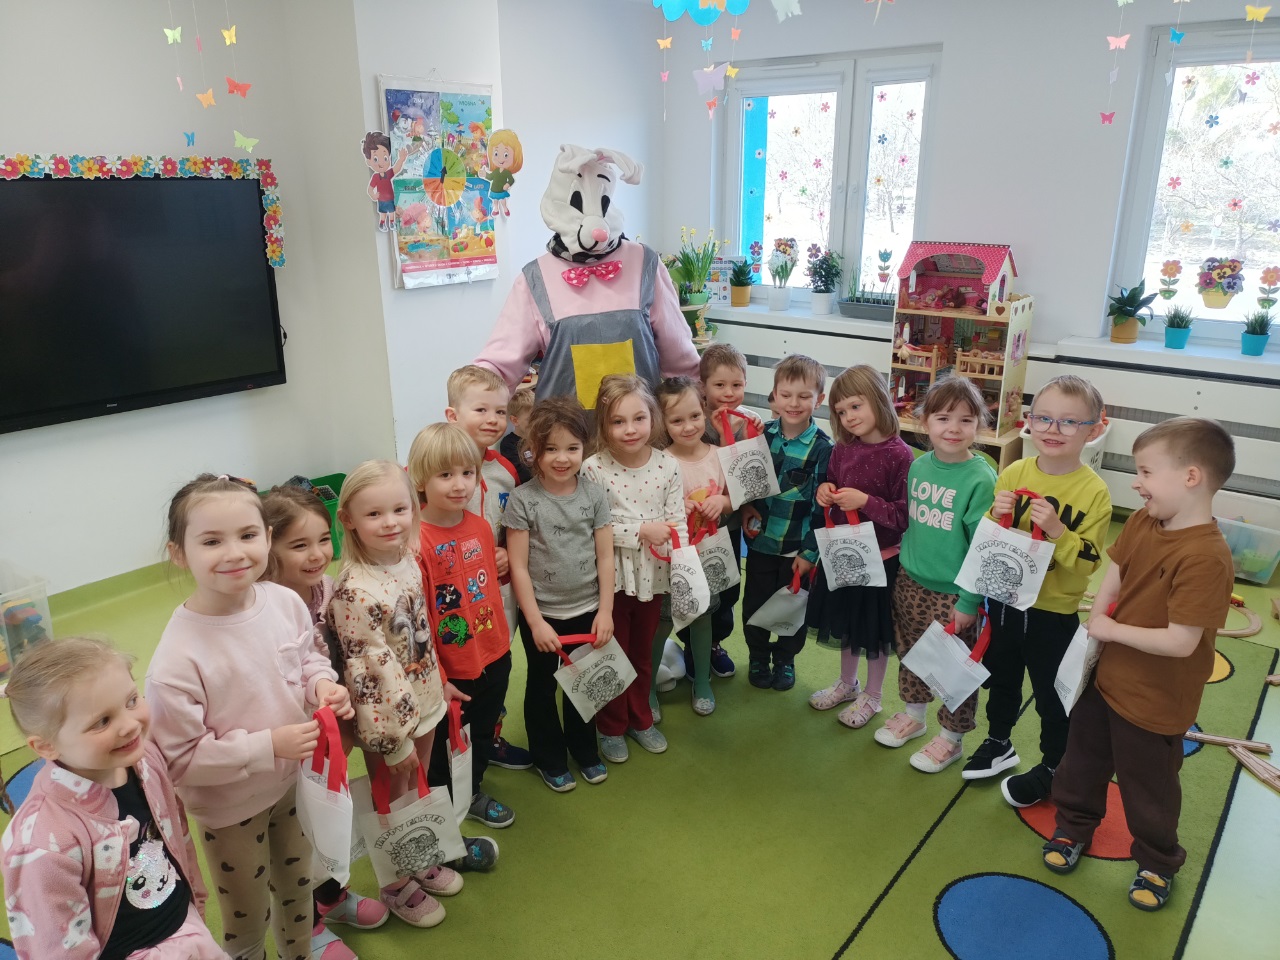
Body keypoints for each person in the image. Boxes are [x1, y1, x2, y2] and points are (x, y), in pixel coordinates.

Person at [146, 474, 354, 960]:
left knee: (298, 892)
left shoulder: (284, 601)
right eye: (211, 541)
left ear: (266, 536)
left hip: (293, 786)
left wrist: (321, 686)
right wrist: (268, 745)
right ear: (179, 553)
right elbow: (180, 761)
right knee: (247, 917)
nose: (235, 552)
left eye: (247, 534)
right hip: (230, 811)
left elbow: (306, 658)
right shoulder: (177, 660)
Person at [1043, 418, 1235, 913]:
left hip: (1156, 700)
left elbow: (1181, 642)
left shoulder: (1207, 557)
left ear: (1190, 477)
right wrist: (1099, 613)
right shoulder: (1144, 520)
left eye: (1147, 472)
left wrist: (1109, 630)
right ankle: (1072, 828)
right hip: (1104, 680)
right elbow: (1118, 568)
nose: (1136, 483)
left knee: (1149, 788)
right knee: (1081, 763)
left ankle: (1157, 860)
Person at [2, 637, 224, 960]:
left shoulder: (146, 760)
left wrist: (196, 906)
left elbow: (177, 836)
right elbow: (58, 949)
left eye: (132, 700)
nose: (130, 725)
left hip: (186, 929)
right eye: (103, 721)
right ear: (46, 746)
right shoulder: (41, 844)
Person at [961, 376, 1113, 807]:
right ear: (1029, 420)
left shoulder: (1094, 492)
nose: (1053, 429)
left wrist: (1059, 531)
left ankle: (1053, 765)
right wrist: (994, 514)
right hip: (1003, 601)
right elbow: (990, 539)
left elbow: (1088, 562)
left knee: (1052, 695)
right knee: (1001, 679)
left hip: (1053, 612)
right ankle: (999, 740)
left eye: (1069, 422)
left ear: (1093, 429)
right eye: (1044, 418)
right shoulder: (1014, 472)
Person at [328, 460, 467, 928]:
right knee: (390, 795)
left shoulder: (406, 558)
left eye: (399, 509)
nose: (390, 522)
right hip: (389, 725)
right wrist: (393, 742)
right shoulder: (354, 591)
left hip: (424, 700)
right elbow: (367, 675)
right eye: (374, 514)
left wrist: (439, 682)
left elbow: (419, 634)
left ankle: (416, 859)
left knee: (416, 788)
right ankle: (394, 883)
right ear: (348, 520)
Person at [261, 485, 388, 959]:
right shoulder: (263, 606)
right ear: (268, 547)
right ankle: (305, 925)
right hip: (289, 740)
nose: (317, 554)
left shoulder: (329, 589)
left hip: (334, 730)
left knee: (333, 815)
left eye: (322, 539)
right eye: (299, 545)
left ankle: (330, 896)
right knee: (298, 833)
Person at [873, 378, 997, 773]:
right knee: (911, 653)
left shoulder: (981, 478)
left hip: (954, 595)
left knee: (954, 669)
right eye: (943, 418)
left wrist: (969, 601)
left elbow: (983, 548)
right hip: (910, 581)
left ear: (979, 425)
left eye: (966, 420)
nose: (954, 428)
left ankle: (951, 739)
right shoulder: (919, 466)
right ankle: (914, 716)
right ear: (924, 422)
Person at [407, 425, 518, 831]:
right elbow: (417, 622)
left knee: (482, 734)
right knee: (444, 747)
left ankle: (471, 793)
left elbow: (487, 587)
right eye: (445, 475)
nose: (459, 485)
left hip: (495, 654)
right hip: (450, 672)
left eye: (467, 473)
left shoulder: (481, 527)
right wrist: (439, 677)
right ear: (421, 479)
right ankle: (444, 811)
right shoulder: (415, 542)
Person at [504, 396, 615, 790]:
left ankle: (584, 750)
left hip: (588, 609)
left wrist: (606, 611)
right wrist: (535, 623)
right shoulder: (523, 500)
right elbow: (518, 566)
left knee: (583, 683)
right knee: (541, 686)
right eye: (551, 449)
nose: (562, 458)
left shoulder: (595, 495)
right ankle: (548, 758)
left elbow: (606, 557)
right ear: (533, 450)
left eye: (572, 448)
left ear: (585, 448)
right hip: (544, 616)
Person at [582, 374, 685, 763]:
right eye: (618, 421)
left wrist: (683, 567)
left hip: (653, 578)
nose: (630, 429)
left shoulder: (667, 465)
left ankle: (640, 719)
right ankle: (610, 726)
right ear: (604, 424)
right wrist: (640, 530)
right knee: (612, 655)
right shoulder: (594, 468)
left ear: (653, 417)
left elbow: (677, 523)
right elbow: (590, 529)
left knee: (643, 654)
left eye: (639, 418)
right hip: (610, 581)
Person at [804, 364, 914, 729]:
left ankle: (873, 695)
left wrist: (865, 501)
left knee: (873, 633)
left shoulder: (900, 455)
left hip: (881, 561)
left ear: (879, 400)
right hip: (844, 556)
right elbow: (832, 484)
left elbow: (903, 517)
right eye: (841, 411)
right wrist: (825, 492)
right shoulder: (842, 449)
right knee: (848, 623)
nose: (849, 417)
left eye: (856, 406)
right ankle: (847, 684)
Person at [444, 364, 532, 772]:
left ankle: (489, 738)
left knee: (497, 665)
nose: (492, 420)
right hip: (450, 598)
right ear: (453, 415)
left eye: (499, 411)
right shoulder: (432, 471)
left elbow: (513, 527)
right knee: (460, 669)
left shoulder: (507, 472)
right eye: (480, 410)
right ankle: (453, 748)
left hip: (498, 590)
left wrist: (505, 553)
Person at [740, 355, 832, 692]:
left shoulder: (823, 449)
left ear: (818, 400)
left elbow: (821, 511)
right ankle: (758, 656)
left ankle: (785, 659)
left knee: (794, 610)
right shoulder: (761, 436)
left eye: (804, 396)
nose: (794, 403)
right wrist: (747, 507)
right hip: (761, 543)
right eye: (786, 395)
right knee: (755, 604)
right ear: (774, 396)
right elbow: (746, 483)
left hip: (796, 550)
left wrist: (809, 553)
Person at [653, 376, 732, 716]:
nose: (688, 427)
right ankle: (646, 689)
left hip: (708, 555)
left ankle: (702, 681)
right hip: (668, 560)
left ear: (704, 410)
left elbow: (734, 498)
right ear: (662, 422)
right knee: (661, 623)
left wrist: (722, 502)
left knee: (702, 619)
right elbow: (650, 509)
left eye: (695, 416)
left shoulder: (718, 455)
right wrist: (674, 510)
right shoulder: (659, 461)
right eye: (676, 420)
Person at [501, 383, 536, 484]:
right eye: (530, 419)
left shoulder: (541, 437)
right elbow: (522, 475)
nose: (535, 422)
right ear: (515, 420)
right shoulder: (508, 444)